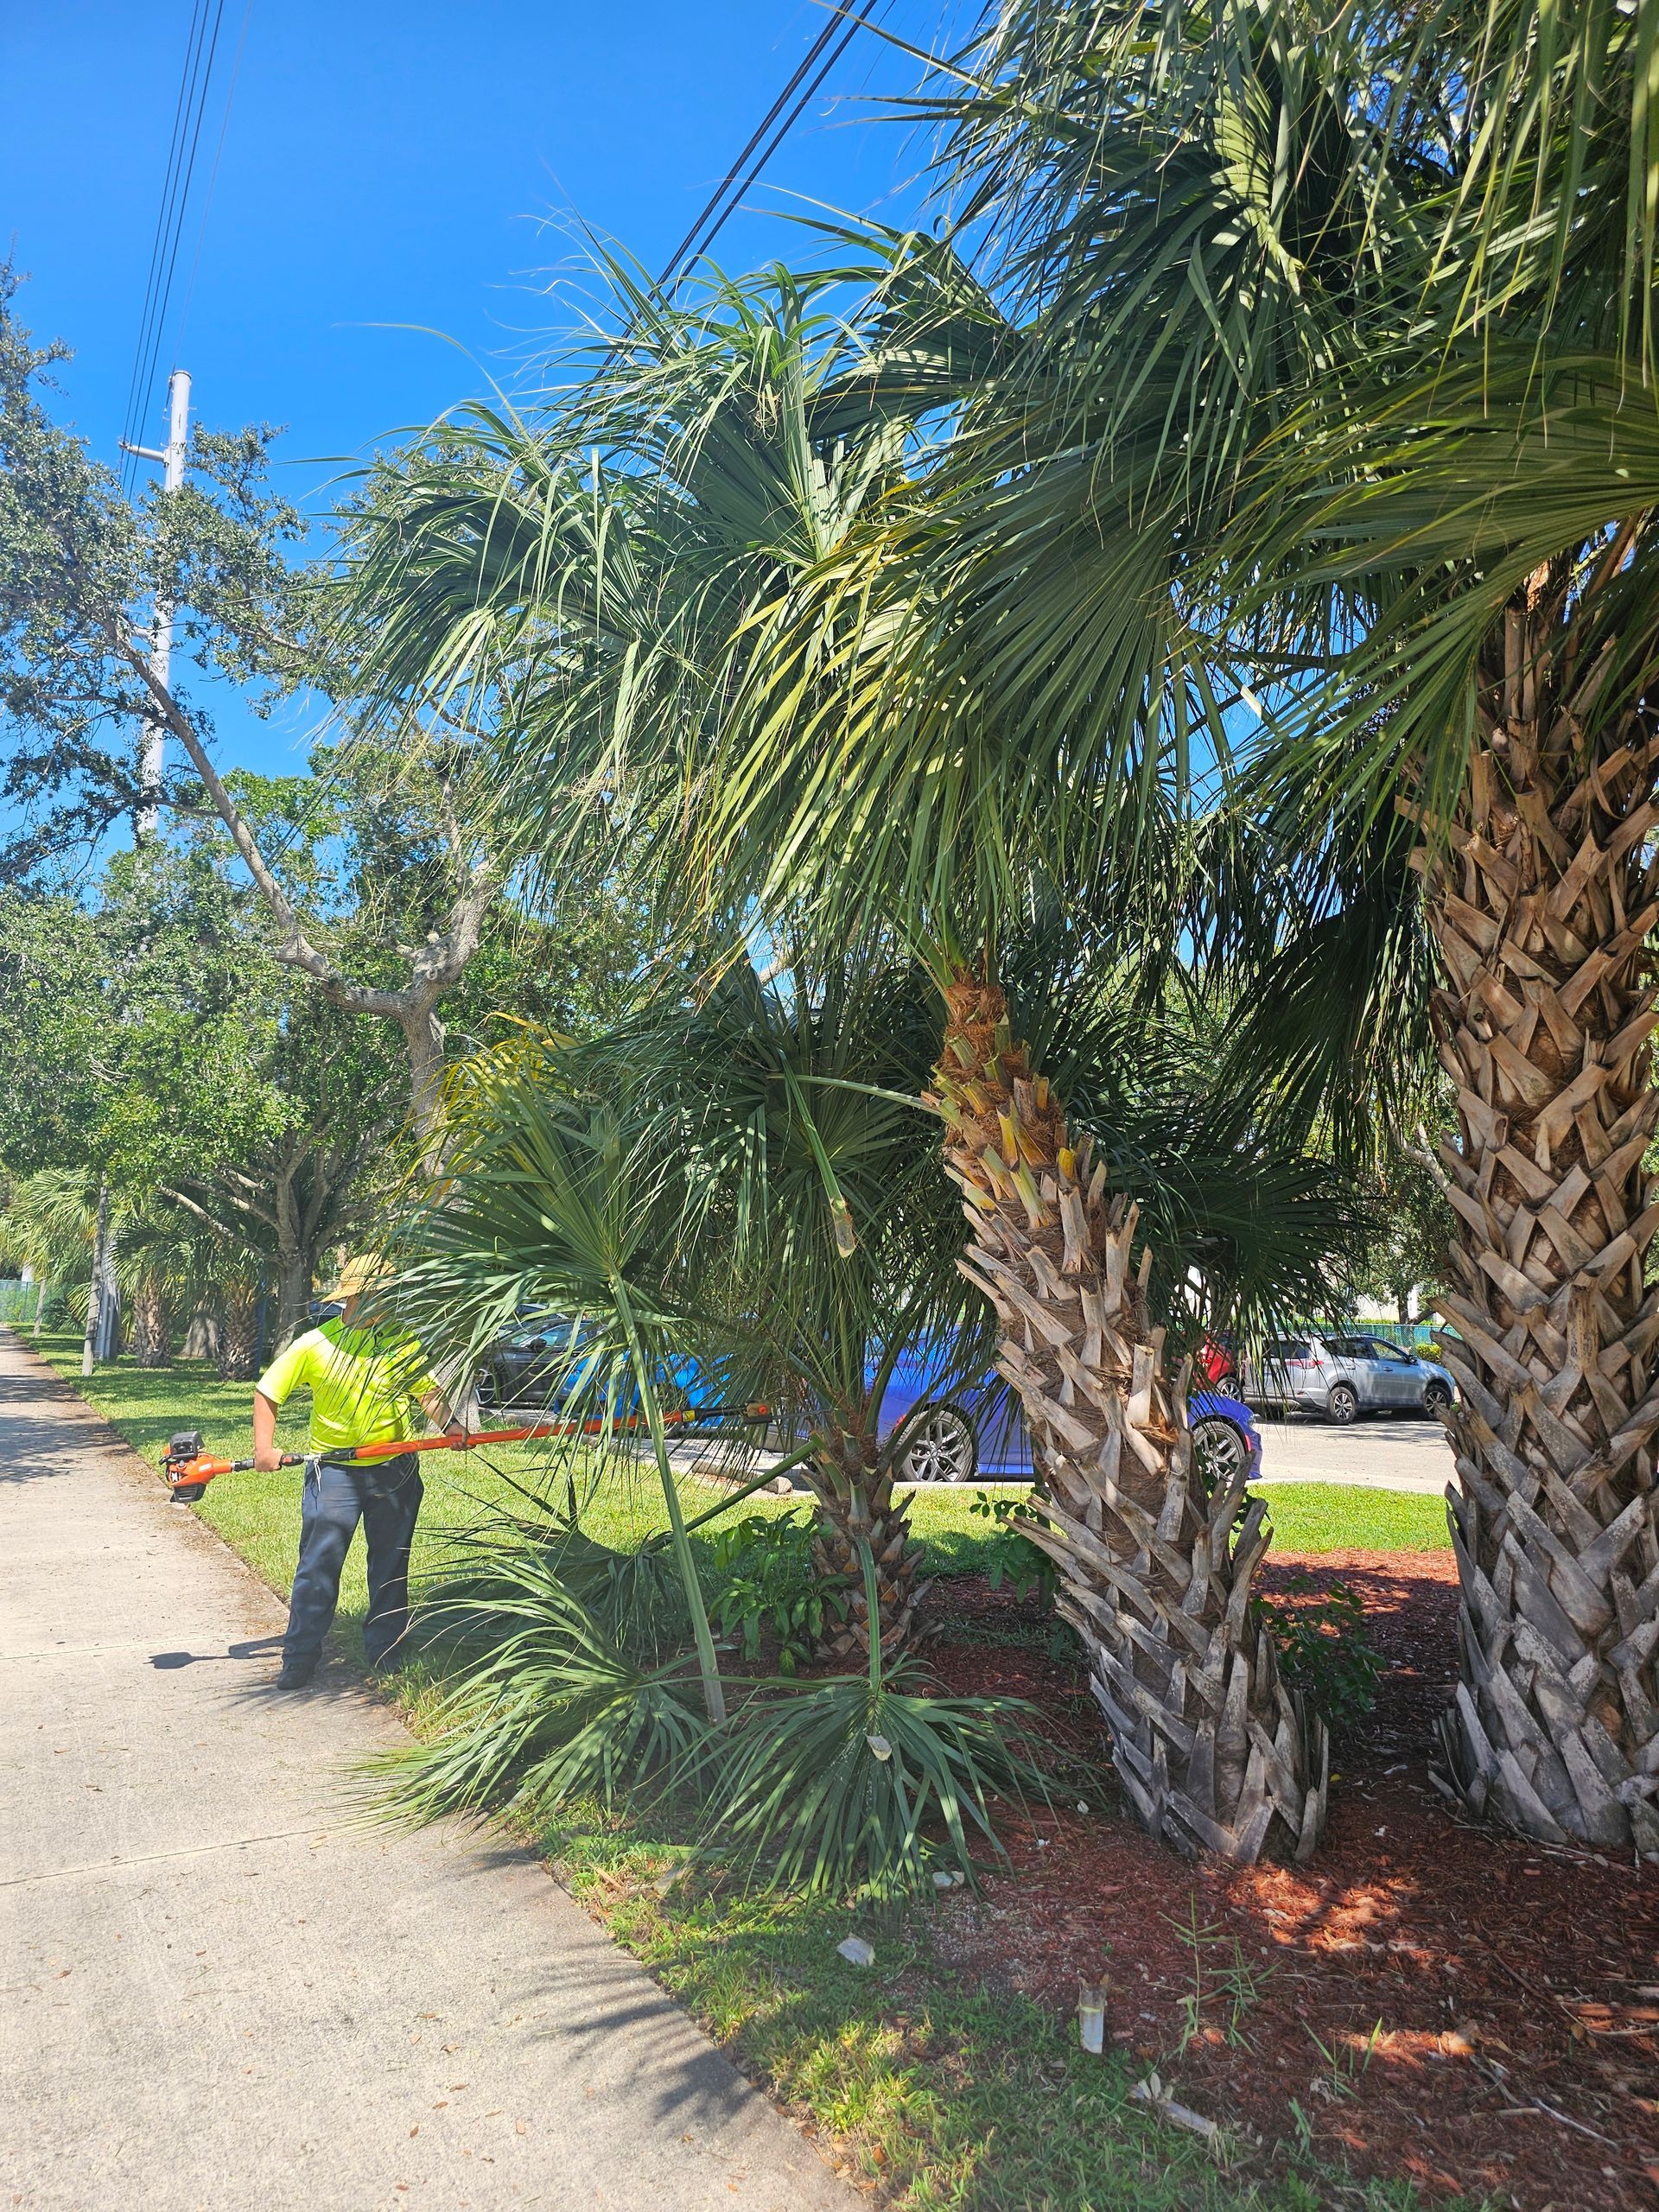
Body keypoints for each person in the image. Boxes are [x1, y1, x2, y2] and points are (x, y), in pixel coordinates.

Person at [252, 1257, 456, 1689]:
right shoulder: (316, 1344)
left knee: (391, 1564)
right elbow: (268, 1391)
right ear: (354, 1298)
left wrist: (451, 1426)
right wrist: (264, 1449)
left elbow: (428, 1393)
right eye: (378, 1294)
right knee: (318, 1567)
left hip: (394, 1472)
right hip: (335, 1474)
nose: (386, 1303)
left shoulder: (401, 1343)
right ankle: (300, 1658)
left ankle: (385, 1651)